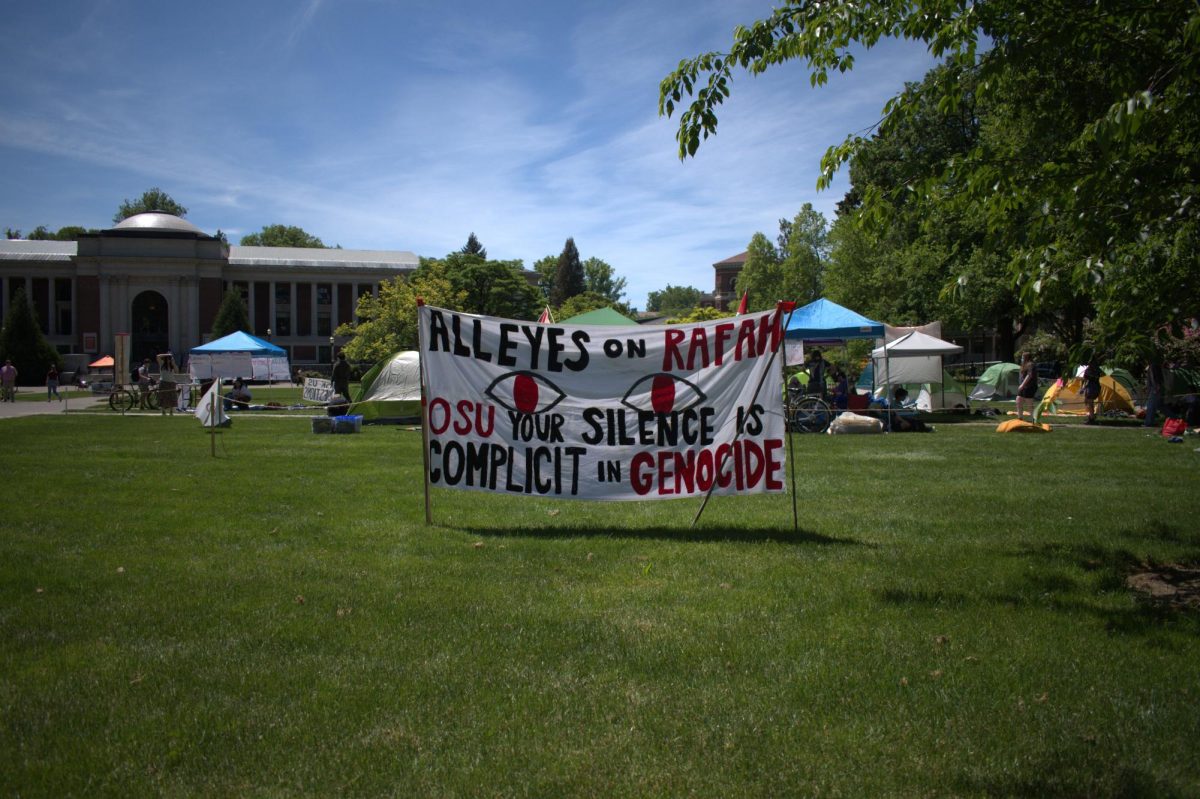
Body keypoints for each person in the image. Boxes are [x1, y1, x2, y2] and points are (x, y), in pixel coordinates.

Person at [1015, 352, 1037, 420]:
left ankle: (1033, 419)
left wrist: (1022, 385)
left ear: (1026, 358)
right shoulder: (1023, 365)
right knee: (1018, 400)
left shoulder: (1030, 365)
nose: (1021, 359)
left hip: (1029, 387)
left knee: (1029, 403)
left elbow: (1029, 375)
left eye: (1022, 357)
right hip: (1023, 387)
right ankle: (1020, 418)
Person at [1082, 358, 1103, 424]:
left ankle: (1091, 418)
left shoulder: (1088, 370)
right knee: (1089, 402)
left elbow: (1085, 379)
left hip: (1091, 387)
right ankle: (1091, 416)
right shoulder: (1098, 369)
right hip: (1096, 386)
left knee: (1089, 402)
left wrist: (1083, 388)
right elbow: (1102, 375)